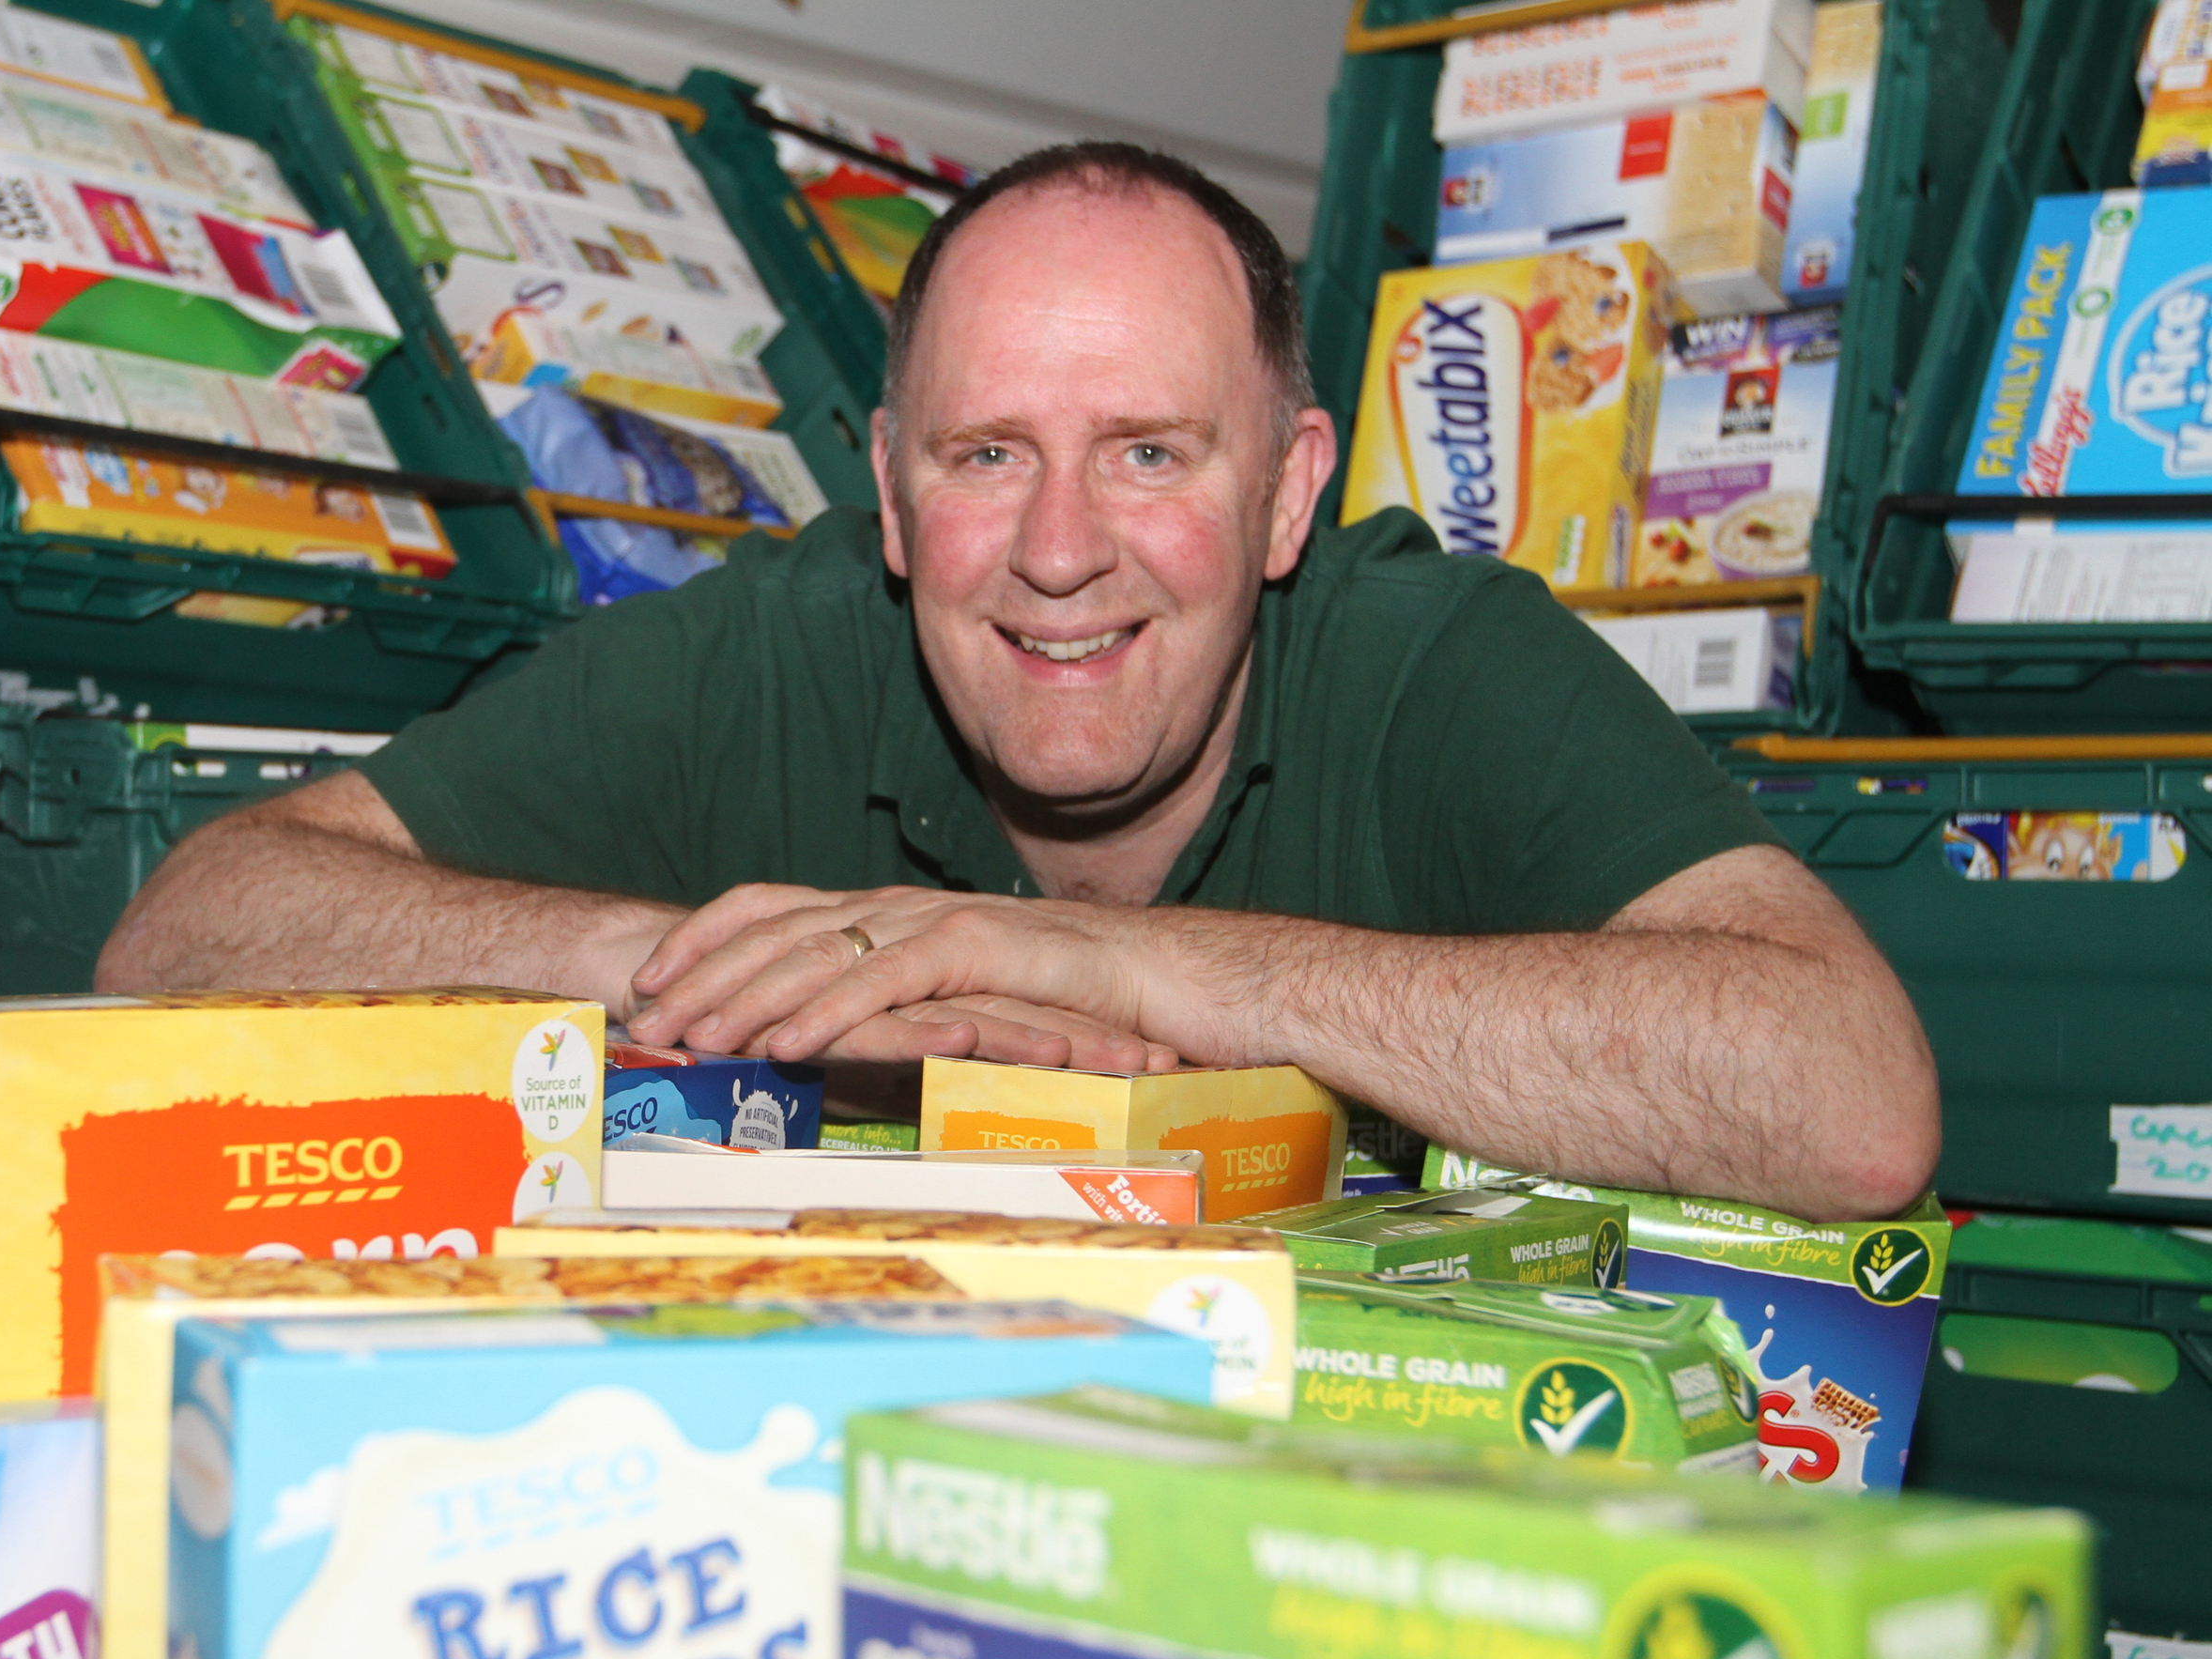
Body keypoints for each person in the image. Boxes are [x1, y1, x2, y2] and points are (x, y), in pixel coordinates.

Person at [97, 142, 1937, 1223]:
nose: (1063, 548)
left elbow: (1852, 1103)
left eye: (1150, 452)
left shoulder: (1439, 661)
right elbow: (180, 935)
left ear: (1290, 491)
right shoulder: (770, 649)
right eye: (987, 457)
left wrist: (1125, 970)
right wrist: (758, 979)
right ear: (892, 496)